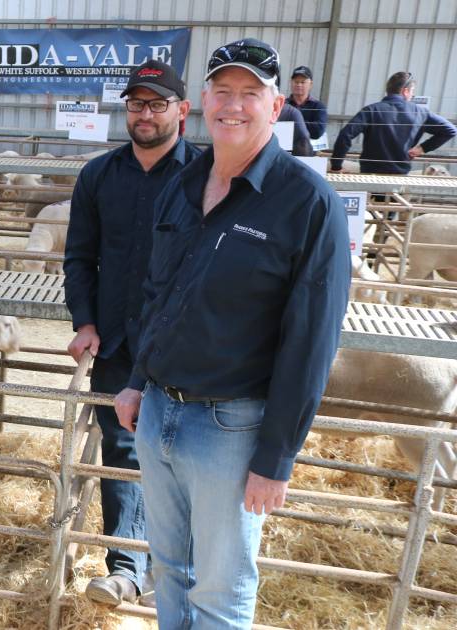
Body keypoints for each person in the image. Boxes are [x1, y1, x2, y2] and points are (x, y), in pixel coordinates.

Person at [113, 40, 350, 628]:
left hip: (231, 427)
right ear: (203, 104)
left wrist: (276, 457)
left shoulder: (308, 202)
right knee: (169, 568)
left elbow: (312, 341)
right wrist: (138, 380)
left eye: (251, 94)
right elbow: (158, 292)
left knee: (221, 587)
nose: (234, 106)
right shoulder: (185, 181)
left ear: (277, 109)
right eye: (223, 91)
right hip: (159, 410)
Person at [63, 59, 202, 607]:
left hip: (185, 347)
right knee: (121, 449)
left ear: (182, 111)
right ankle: (126, 567)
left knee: (182, 455)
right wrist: (85, 320)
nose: (145, 115)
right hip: (120, 341)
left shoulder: (206, 176)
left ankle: (175, 568)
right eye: (136, 104)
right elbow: (80, 257)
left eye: (157, 104)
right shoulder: (99, 175)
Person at [330, 70, 456, 174]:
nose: (412, 95)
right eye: (412, 91)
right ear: (405, 91)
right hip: (399, 175)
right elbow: (450, 130)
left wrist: (336, 166)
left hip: (369, 173)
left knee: (370, 204)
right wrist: (422, 148)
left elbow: (345, 135)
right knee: (393, 204)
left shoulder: (371, 110)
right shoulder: (420, 112)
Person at [285, 65, 328, 140]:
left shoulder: (318, 106)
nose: (299, 85)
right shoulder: (283, 104)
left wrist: (291, 124)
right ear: (291, 83)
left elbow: (317, 132)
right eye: (296, 81)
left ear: (310, 84)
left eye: (303, 82)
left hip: (308, 150)